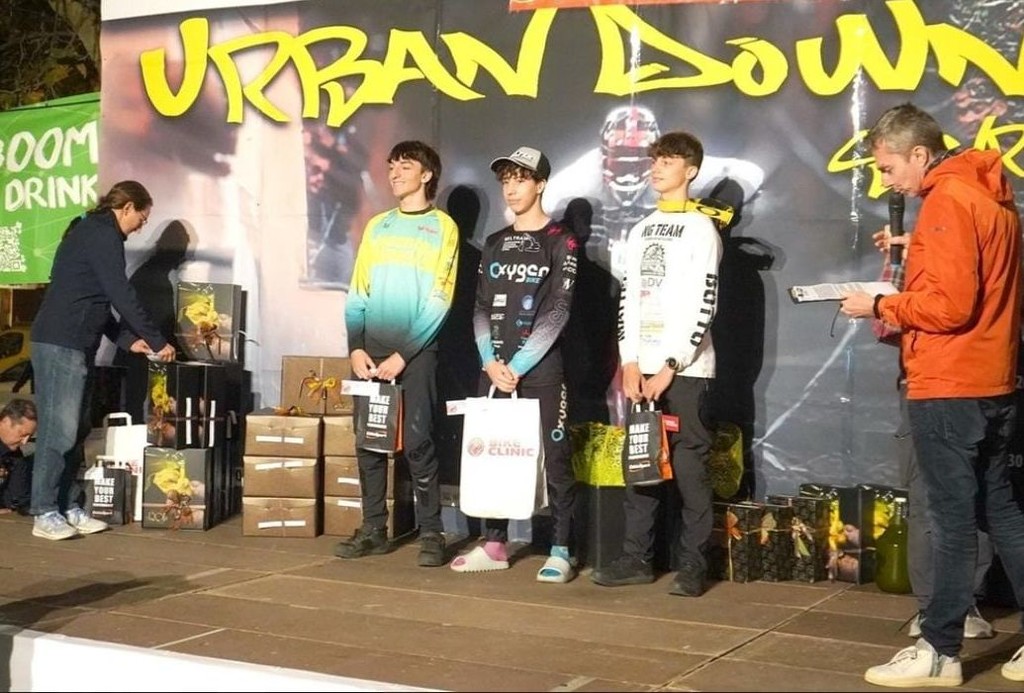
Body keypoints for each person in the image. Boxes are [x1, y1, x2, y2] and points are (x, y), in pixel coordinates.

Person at [840, 103, 1024, 687]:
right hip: (993, 380)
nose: (886, 181)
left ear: (919, 154)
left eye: (888, 167)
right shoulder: (991, 197)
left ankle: (940, 650)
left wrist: (879, 304)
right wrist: (915, 245)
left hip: (949, 383)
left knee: (950, 521)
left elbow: (949, 307)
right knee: (1000, 511)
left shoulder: (947, 201)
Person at [589, 131, 723, 597]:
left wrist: (671, 364)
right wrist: (629, 361)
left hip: (685, 371)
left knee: (689, 470)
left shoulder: (702, 229)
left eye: (668, 161)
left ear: (691, 170)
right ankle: (636, 559)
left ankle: (694, 566)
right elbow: (629, 298)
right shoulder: (642, 227)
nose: (657, 168)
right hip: (641, 369)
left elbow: (705, 303)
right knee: (640, 464)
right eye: (655, 160)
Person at [448, 145, 580, 582]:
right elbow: (480, 307)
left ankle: (561, 549)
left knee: (555, 458)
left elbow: (558, 310)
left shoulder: (562, 240)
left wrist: (518, 366)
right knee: (493, 456)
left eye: (521, 179)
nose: (511, 188)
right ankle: (494, 543)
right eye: (506, 180)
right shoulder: (495, 242)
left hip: (540, 370)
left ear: (540, 184)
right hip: (494, 370)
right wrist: (489, 361)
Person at [335, 140, 459, 568]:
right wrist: (355, 346)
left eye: (405, 166)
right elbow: (358, 292)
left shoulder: (443, 227)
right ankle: (373, 529)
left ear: (426, 174)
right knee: (369, 443)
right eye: (391, 166)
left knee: (419, 442)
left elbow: (440, 299)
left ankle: (432, 533)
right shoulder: (378, 225)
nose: (394, 173)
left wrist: (404, 355)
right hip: (371, 352)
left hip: (416, 353)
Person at [30, 180, 176, 541]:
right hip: (60, 342)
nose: (141, 226)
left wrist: (128, 340)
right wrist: (157, 340)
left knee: (77, 429)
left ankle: (68, 505)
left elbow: (97, 299)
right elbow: (120, 293)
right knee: (58, 431)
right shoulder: (100, 234)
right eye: (141, 218)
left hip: (79, 344)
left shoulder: (98, 234)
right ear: (126, 208)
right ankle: (43, 511)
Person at [872, 236, 995, 641]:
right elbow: (885, 326)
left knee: (981, 500)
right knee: (926, 500)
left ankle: (967, 603)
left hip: (981, 387)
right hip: (924, 387)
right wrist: (899, 272)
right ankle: (930, 608)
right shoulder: (911, 254)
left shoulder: (991, 246)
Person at [0, 398, 38, 514]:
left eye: (29, 436)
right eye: (22, 434)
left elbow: (18, 497)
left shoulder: (15, 456)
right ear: (5, 422)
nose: (25, 442)